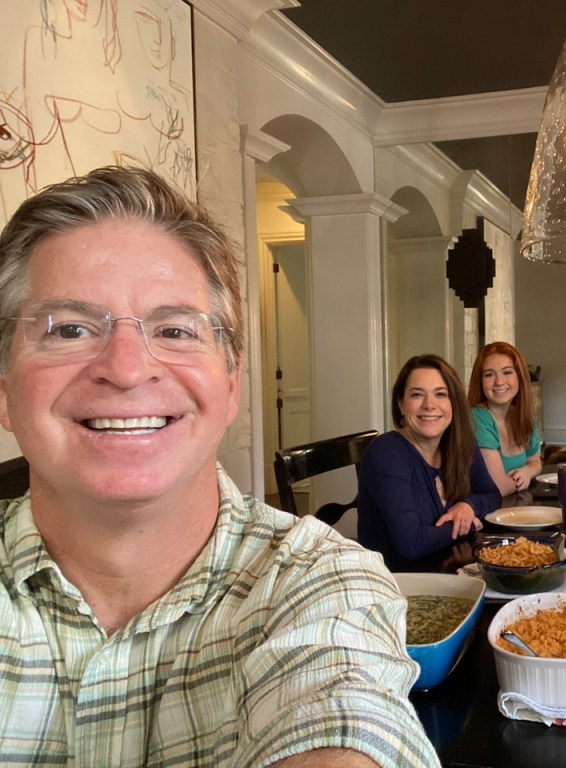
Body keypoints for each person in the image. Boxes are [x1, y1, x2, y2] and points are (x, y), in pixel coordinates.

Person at [0, 166, 439, 766]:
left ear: (231, 384)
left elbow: (346, 712)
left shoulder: (319, 582)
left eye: (175, 330)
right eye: (70, 329)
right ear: (5, 390)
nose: (127, 368)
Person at [358, 354, 501, 567]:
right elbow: (411, 544)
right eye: (417, 395)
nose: (429, 405)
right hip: (396, 580)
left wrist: (468, 506)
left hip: (446, 568)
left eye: (440, 394)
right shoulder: (387, 453)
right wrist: (470, 525)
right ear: (401, 404)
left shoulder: (461, 442)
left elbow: (492, 495)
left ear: (453, 403)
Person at [466, 341, 541, 495]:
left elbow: (535, 462)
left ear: (519, 376)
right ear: (480, 381)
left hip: (513, 504)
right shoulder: (477, 418)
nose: (499, 382)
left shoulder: (523, 416)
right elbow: (499, 488)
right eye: (489, 374)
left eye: (507, 372)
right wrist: (519, 481)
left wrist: (527, 471)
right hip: (483, 508)